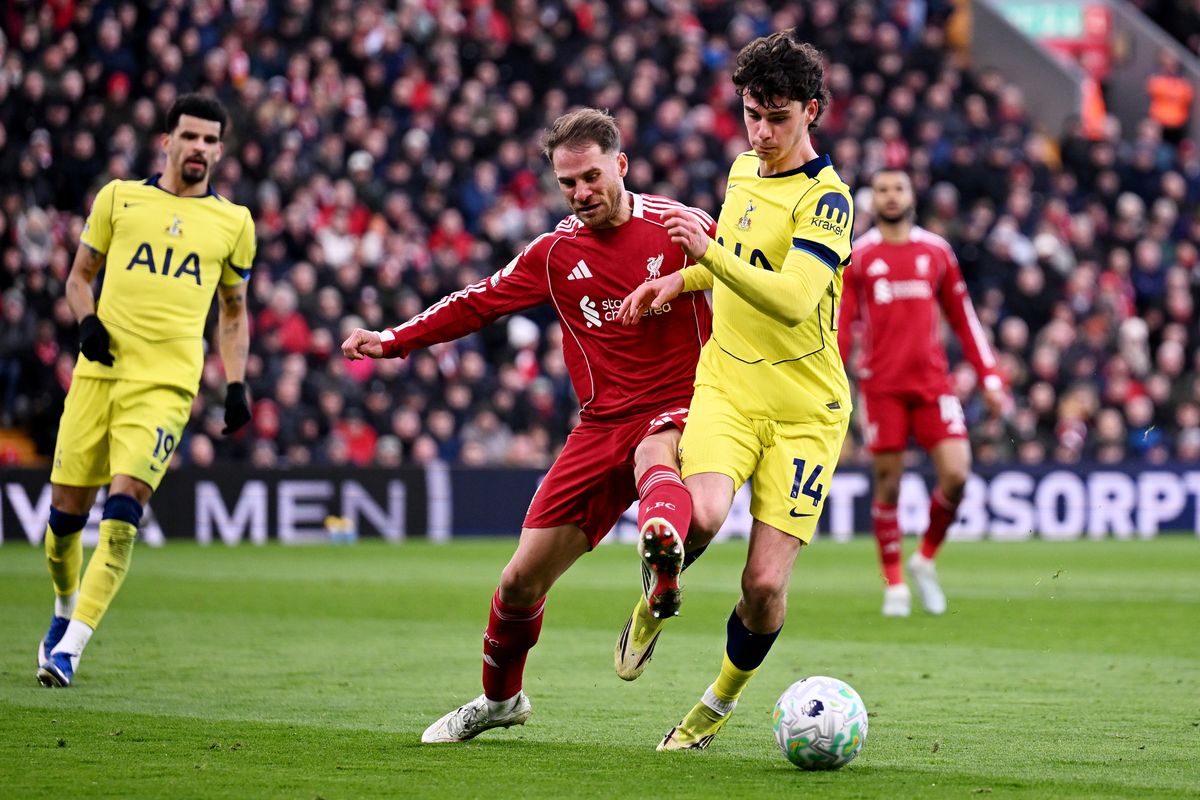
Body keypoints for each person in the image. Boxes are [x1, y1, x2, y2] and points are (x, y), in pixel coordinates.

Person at [341, 108, 715, 743]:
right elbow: (480, 300)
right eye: (568, 183)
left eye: (592, 176)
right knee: (518, 581)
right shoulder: (555, 251)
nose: (581, 193)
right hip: (599, 427)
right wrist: (393, 340)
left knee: (658, 460)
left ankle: (662, 563)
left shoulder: (678, 227)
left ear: (621, 165)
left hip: (684, 404)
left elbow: (745, 278)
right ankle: (501, 701)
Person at [617, 30, 854, 751]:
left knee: (763, 587)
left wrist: (706, 254)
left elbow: (789, 296)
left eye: (778, 117)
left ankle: (712, 708)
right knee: (704, 512)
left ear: (811, 111)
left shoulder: (829, 200)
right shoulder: (743, 169)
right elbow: (734, 256)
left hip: (808, 412)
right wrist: (679, 278)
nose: (763, 131)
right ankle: (657, 594)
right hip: (728, 381)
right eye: (753, 113)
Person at [36, 93, 255, 687]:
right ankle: (62, 609)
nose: (200, 149)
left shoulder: (234, 223)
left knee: (125, 509)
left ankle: (72, 648)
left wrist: (236, 383)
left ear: (220, 149)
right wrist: (87, 323)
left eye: (211, 140)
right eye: (191, 137)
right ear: (167, 140)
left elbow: (233, 312)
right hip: (99, 376)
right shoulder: (118, 198)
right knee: (62, 525)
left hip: (167, 384)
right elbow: (78, 279)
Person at [839, 168, 1008, 617]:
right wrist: (834, 378)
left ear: (912, 195)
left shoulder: (937, 251)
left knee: (957, 474)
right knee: (888, 484)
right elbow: (842, 326)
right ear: (872, 200)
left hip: (934, 383)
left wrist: (989, 376)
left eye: (898, 188)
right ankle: (893, 583)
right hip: (883, 386)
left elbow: (963, 317)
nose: (891, 197)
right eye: (882, 190)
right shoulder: (859, 255)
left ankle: (925, 558)